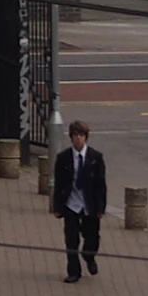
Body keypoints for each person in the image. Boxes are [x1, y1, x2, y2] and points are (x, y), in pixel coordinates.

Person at [49, 120, 107, 281]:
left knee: (92, 237)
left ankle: (89, 256)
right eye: (75, 136)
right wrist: (57, 206)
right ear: (71, 137)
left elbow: (100, 184)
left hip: (89, 203)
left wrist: (101, 207)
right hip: (71, 203)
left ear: (86, 137)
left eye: (81, 135)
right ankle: (73, 271)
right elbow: (59, 182)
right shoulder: (63, 158)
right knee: (71, 238)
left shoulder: (95, 157)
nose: (78, 139)